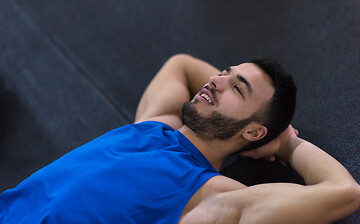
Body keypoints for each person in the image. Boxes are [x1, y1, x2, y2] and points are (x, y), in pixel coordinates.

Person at [0, 54, 359, 223]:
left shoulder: (213, 198)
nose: (216, 80)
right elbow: (181, 64)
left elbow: (344, 193)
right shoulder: (154, 125)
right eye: (223, 72)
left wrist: (285, 142)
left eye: (238, 87)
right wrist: (235, 93)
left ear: (253, 131)